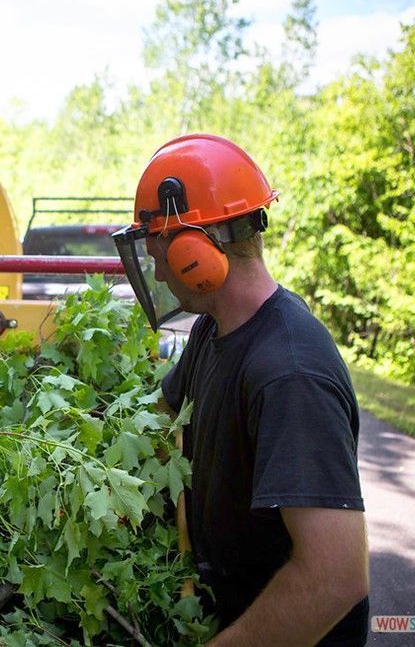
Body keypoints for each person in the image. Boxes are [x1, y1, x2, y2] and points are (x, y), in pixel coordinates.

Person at [112, 134, 369, 645]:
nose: (158, 269)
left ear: (193, 251)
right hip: (225, 610)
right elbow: (163, 416)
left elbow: (336, 578)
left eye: (158, 248)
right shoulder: (215, 326)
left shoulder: (290, 374)